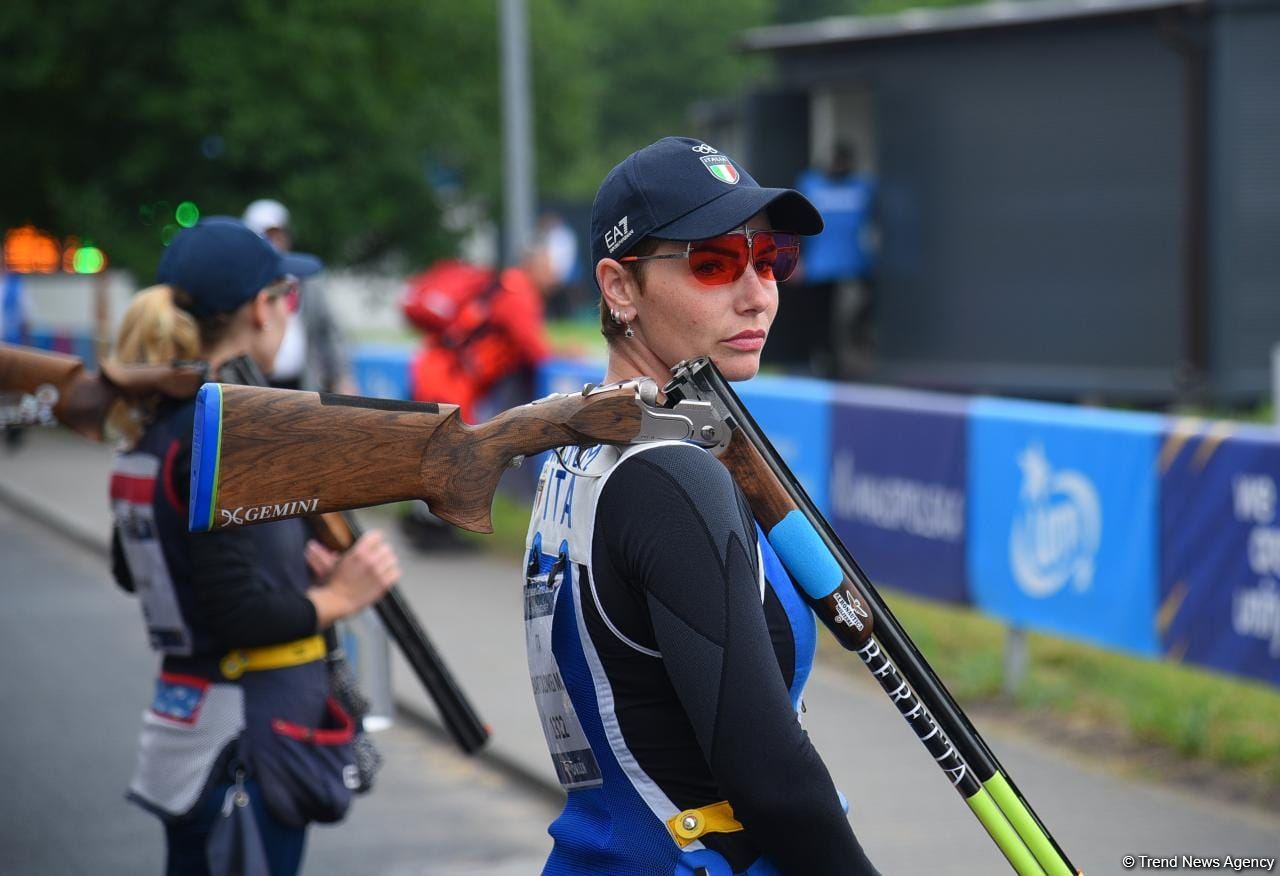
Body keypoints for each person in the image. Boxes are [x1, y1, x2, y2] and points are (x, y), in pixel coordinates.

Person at [522, 137, 880, 874]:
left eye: (770, 259)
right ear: (619, 288)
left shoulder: (586, 440)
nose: (758, 293)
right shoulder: (671, 475)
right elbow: (773, 779)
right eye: (714, 263)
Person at [108, 217, 399, 876]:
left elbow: (140, 566)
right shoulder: (228, 437)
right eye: (285, 296)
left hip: (191, 731)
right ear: (261, 310)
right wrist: (338, 596)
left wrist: (285, 563)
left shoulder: (156, 426)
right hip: (243, 742)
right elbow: (237, 613)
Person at [242, 198, 356, 393]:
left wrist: (341, 376)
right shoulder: (242, 280)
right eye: (266, 235)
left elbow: (327, 329)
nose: (274, 242)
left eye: (279, 234)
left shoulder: (305, 277)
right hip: (254, 384)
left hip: (301, 382)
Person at [787, 141, 878, 379]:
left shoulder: (863, 186)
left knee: (852, 318)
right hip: (819, 267)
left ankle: (853, 362)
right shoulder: (810, 183)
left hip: (855, 265)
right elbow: (798, 224)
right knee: (821, 320)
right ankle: (825, 364)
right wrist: (798, 260)